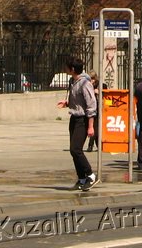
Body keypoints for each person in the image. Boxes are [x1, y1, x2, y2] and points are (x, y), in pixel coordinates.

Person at [56, 57, 97, 191]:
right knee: (73, 151)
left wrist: (90, 126)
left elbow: (91, 105)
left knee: (76, 149)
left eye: (67, 67)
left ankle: (90, 175)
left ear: (72, 69)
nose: (65, 69)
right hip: (74, 118)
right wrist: (67, 103)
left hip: (83, 120)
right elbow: (78, 100)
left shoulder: (85, 83)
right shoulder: (73, 81)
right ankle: (81, 178)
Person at [85, 71, 100, 152]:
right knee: (94, 127)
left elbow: (107, 97)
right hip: (89, 108)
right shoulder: (87, 86)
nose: (92, 81)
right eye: (90, 79)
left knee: (95, 127)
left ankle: (90, 145)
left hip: (98, 108)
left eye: (93, 78)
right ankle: (98, 145)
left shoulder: (101, 85)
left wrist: (99, 92)